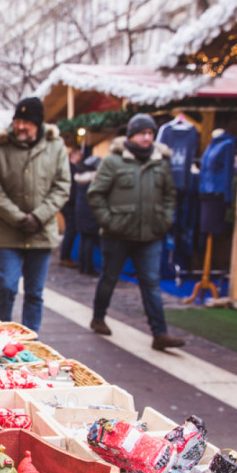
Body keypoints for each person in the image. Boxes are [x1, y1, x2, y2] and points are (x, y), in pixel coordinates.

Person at [87, 113, 185, 351]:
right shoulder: (113, 161)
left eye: (151, 133)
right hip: (117, 233)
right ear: (131, 135)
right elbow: (96, 193)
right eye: (143, 133)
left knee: (151, 283)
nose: (147, 137)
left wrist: (165, 219)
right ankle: (98, 317)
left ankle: (159, 334)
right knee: (109, 278)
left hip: (150, 234)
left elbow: (170, 194)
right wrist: (109, 221)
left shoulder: (160, 162)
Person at [0, 97, 70, 332]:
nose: (20, 126)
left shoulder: (55, 147)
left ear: (38, 123)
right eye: (18, 120)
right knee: (8, 285)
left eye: (27, 122)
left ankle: (31, 338)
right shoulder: (0, 148)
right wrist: (17, 217)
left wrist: (39, 216)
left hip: (41, 231)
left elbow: (62, 186)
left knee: (34, 292)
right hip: (8, 231)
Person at [74, 155, 101, 275]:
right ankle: (88, 267)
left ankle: (83, 265)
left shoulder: (79, 177)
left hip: (81, 210)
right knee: (89, 240)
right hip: (90, 212)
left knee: (84, 240)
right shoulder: (93, 179)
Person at [58, 148, 82, 267]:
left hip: (67, 205)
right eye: (79, 155)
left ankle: (65, 256)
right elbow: (70, 190)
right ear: (74, 156)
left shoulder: (71, 168)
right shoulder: (70, 169)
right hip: (69, 206)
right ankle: (65, 256)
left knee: (70, 230)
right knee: (70, 231)